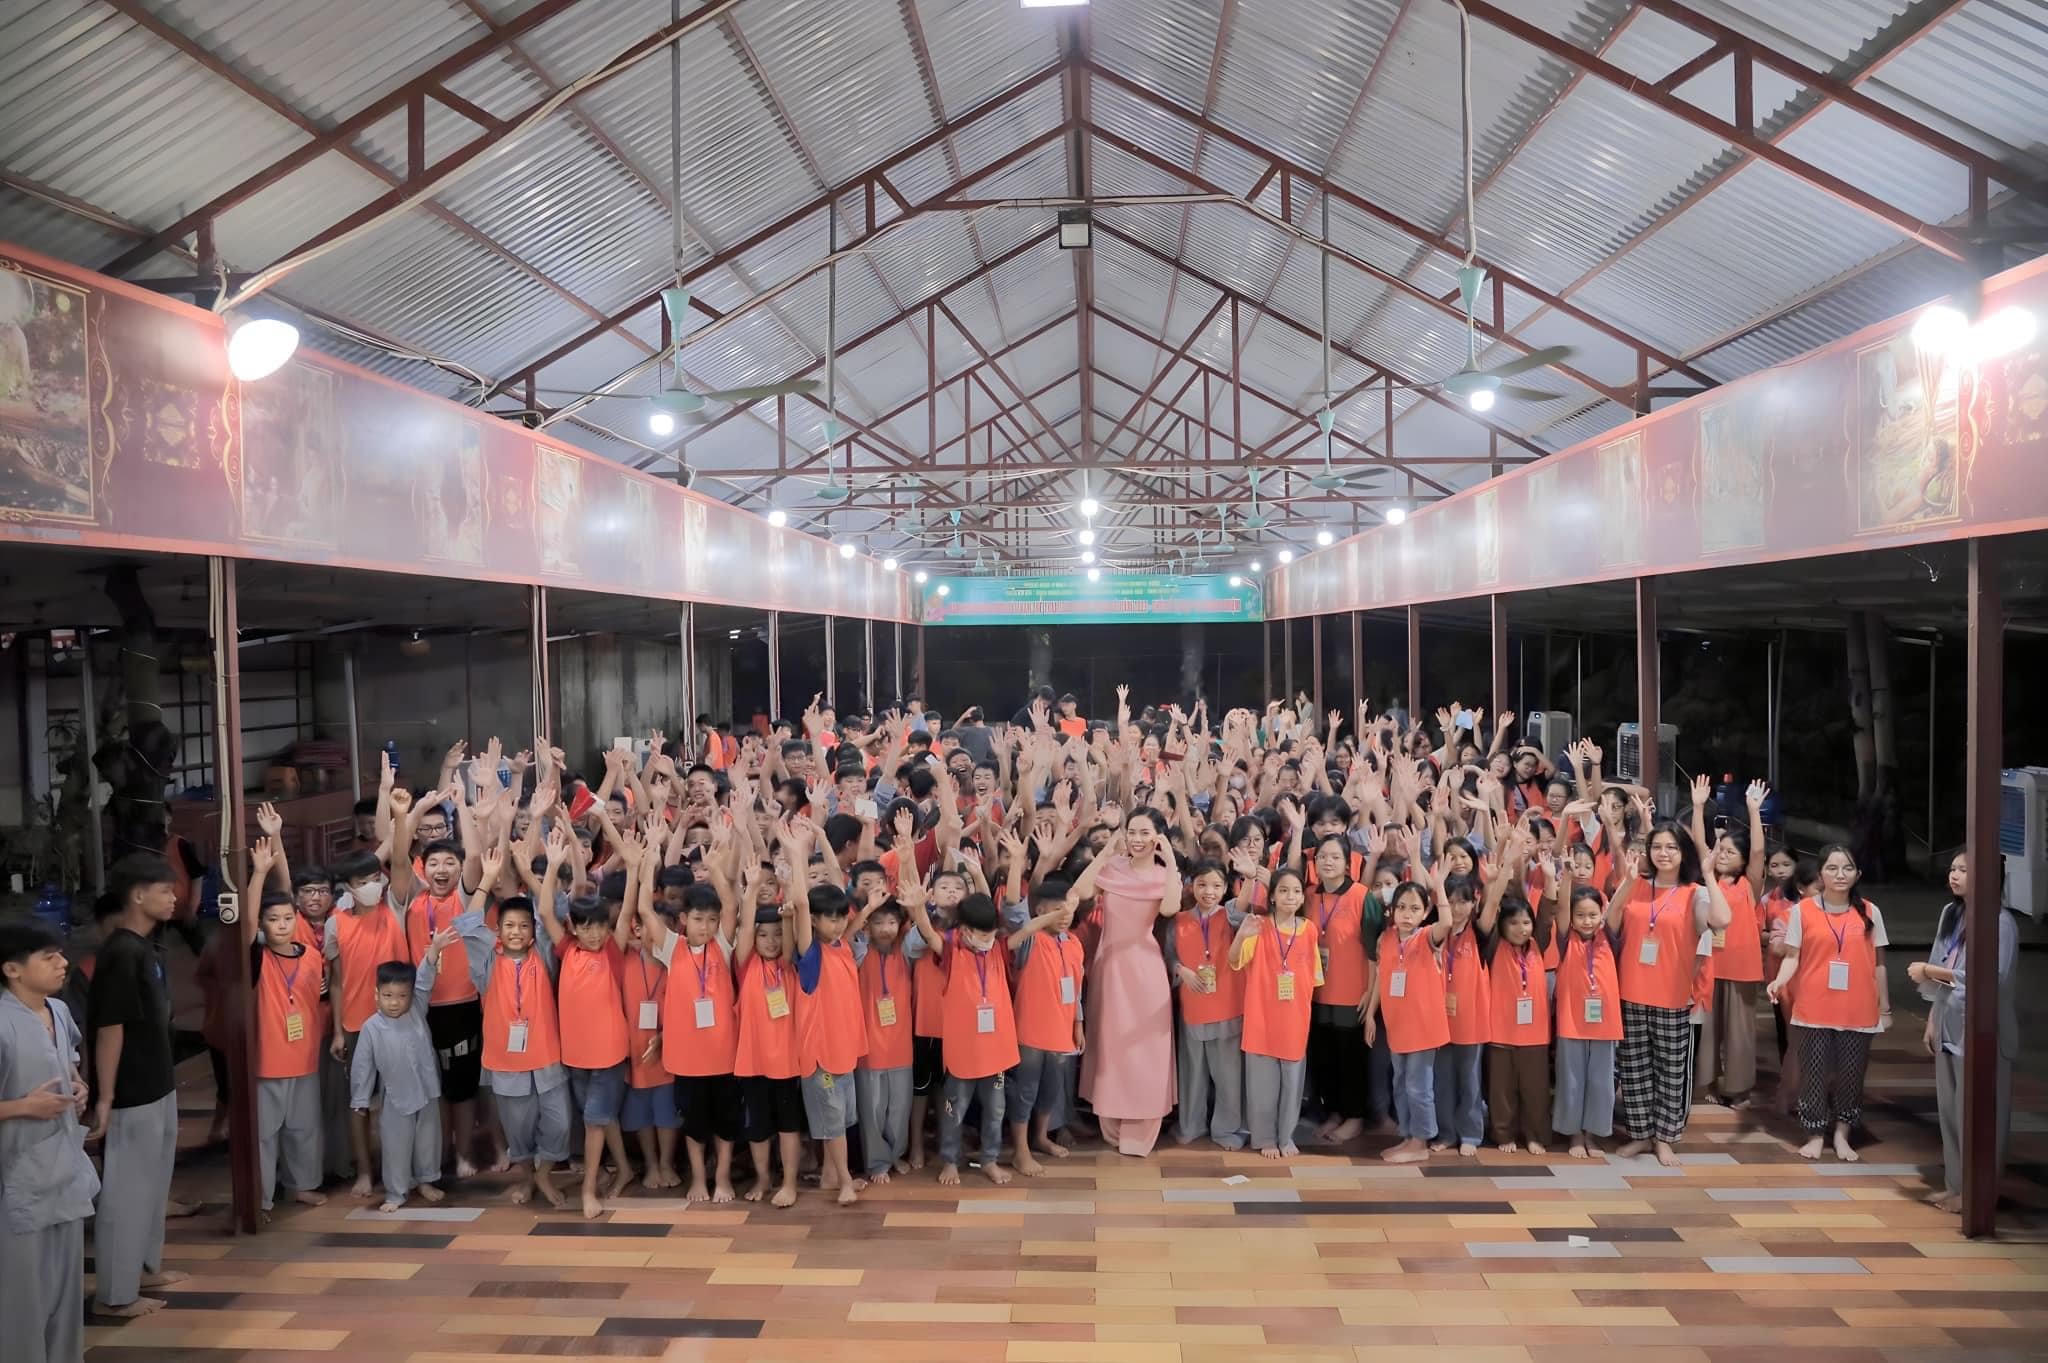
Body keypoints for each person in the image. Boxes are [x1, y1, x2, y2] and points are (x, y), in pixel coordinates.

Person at [86, 853, 189, 1317]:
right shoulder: (121, 952)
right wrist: (106, 1097)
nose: (174, 897)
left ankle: (145, 1267)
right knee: (126, 1191)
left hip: (158, 1082)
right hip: (131, 1091)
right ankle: (114, 1294)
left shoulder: (146, 946)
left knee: (153, 1183)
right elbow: (111, 1028)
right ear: (138, 895)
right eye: (165, 890)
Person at [0, 919, 99, 1363]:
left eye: (60, 954)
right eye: (49, 957)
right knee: (24, 1300)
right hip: (17, 1176)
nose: (63, 964)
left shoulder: (58, 1011)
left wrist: (79, 1087)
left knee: (65, 1293)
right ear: (12, 969)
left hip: (63, 1170)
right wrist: (22, 1106)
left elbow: (68, 1063)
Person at [1607, 819, 1731, 1166]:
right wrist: (1627, 882)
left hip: (1673, 996)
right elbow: (1611, 922)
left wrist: (1709, 875)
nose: (1663, 853)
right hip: (1630, 992)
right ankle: (1640, 1134)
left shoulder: (1694, 893)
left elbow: (1722, 919)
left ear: (1683, 853)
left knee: (1671, 1072)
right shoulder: (1636, 884)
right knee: (1634, 1070)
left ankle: (1664, 1138)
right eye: (1657, 847)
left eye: (1671, 847)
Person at [1766, 844, 1889, 1162]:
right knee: (1814, 1073)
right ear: (1821, 874)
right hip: (1814, 1006)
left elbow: (1878, 964)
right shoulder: (1802, 911)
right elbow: (1792, 957)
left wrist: (1885, 1008)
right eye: (1832, 868)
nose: (1840, 875)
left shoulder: (1870, 912)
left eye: (1847, 868)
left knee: (1851, 1075)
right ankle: (1815, 1133)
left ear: (1858, 874)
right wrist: (1779, 981)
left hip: (1858, 1008)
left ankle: (1842, 1134)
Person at [1071, 808, 1182, 1157]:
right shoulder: (1113, 868)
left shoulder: (1164, 875)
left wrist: (1171, 860)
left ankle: (1142, 1128)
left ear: (1158, 837)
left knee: (1145, 1051)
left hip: (1145, 971)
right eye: (1132, 831)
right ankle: (1112, 1123)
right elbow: (1081, 889)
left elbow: (1170, 908)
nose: (1137, 839)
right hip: (1109, 967)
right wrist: (1106, 851)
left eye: (1145, 833)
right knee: (1111, 1049)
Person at [1911, 851, 2016, 1214]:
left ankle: (1980, 1192)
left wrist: (1930, 972)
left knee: (1981, 1116)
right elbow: (1940, 961)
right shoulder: (1952, 914)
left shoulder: (2001, 922)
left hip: (1984, 1030)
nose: (1954, 875)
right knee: (1951, 1113)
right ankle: (1955, 1186)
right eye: (1953, 869)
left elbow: (1990, 978)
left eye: (1964, 870)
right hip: (1949, 1023)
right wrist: (1932, 1017)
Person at [905, 884, 1017, 1186]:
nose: (988, 940)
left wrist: (1061, 911)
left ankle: (990, 1160)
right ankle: (950, 1160)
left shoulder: (997, 949)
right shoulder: (950, 952)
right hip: (961, 1052)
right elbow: (928, 934)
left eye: (991, 934)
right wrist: (918, 909)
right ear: (965, 931)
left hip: (995, 1052)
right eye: (982, 934)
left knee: (996, 1110)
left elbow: (1029, 928)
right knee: (953, 1108)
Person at [243, 835, 329, 1219]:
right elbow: (244, 928)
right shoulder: (257, 957)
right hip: (268, 1061)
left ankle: (301, 1185)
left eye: (288, 918)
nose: (282, 925)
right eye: (273, 919)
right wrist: (259, 873)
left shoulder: (311, 955)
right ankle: (260, 1199)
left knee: (304, 1128)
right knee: (263, 1135)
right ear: (262, 924)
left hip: (304, 1056)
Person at [349, 931, 460, 1211]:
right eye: (388, 996)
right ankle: (396, 1192)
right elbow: (362, 1067)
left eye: (401, 996)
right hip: (396, 1098)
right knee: (395, 1146)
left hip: (427, 1090)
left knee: (427, 1141)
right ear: (376, 994)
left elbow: (423, 980)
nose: (395, 1002)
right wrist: (360, 1099)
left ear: (411, 996)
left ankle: (426, 1180)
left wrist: (434, 951)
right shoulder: (371, 1027)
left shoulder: (416, 1010)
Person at [790, 837, 872, 1206]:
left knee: (842, 1117)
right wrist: (797, 854)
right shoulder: (811, 955)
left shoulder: (841, 947)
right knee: (834, 1119)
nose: (838, 925)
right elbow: (801, 902)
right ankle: (844, 1181)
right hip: (820, 1055)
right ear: (814, 920)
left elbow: (841, 894)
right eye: (830, 918)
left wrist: (867, 911)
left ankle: (829, 1175)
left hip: (844, 1050)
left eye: (841, 917)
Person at [1690, 777, 1770, 1107]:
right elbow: (1699, 843)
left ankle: (1738, 1089)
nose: (1722, 855)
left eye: (1730, 852)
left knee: (1739, 1032)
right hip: (1709, 964)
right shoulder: (1708, 877)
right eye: (1720, 850)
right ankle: (1708, 1082)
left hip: (1741, 967)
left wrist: (1754, 811)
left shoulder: (1749, 883)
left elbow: (1759, 850)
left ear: (1743, 858)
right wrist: (1698, 807)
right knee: (1709, 1030)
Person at [1232, 866, 1322, 1159]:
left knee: (1292, 1084)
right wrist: (1241, 936)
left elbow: (1315, 977)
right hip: (1261, 1016)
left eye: (1296, 891)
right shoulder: (1258, 926)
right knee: (1263, 1086)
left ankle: (1286, 1136)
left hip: (1295, 1018)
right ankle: (1265, 1138)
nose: (1290, 896)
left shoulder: (1309, 930)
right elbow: (1234, 961)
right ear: (1271, 896)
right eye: (1283, 890)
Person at [1006, 873, 1085, 1177]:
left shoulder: (1075, 943)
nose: (1064, 917)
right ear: (1040, 911)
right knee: (1025, 1090)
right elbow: (1014, 927)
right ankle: (1020, 1150)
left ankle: (1040, 1137)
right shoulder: (1032, 940)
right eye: (1056, 911)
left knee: (1051, 1089)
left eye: (1068, 910)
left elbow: (1076, 989)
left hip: (1062, 1031)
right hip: (1030, 1031)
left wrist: (1078, 1024)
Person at [1368, 879, 1450, 1164]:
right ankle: (1408, 1135)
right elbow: (1381, 976)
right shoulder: (1387, 938)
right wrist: (1371, 1014)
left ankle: (1421, 1141)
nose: (1406, 914)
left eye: (1414, 908)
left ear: (1425, 912)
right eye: (1401, 907)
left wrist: (1439, 889)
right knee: (1400, 1083)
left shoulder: (1427, 936)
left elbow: (1446, 923)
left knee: (1419, 1087)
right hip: (1397, 1024)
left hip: (1423, 1028)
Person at [1169, 860, 1245, 1149]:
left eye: (1216, 885)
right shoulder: (1177, 920)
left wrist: (1250, 877)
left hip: (1227, 1004)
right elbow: (1168, 955)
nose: (1208, 891)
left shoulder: (1232, 917)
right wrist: (1181, 970)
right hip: (1193, 1004)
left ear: (1225, 888)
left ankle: (1227, 1129)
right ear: (1192, 886)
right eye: (1202, 884)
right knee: (1192, 1074)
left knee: (1228, 1075)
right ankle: (1191, 1126)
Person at [1305, 834, 1374, 1144]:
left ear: (1348, 863)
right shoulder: (1309, 895)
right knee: (1325, 1057)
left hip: (1352, 993)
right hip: (1318, 993)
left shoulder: (1362, 896)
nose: (1327, 862)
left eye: (1335, 857)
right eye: (1322, 856)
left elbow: (1375, 953)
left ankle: (1355, 1116)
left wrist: (1370, 993)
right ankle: (1333, 1111)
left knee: (1351, 1059)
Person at [1553, 885, 1621, 1158]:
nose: (1587, 921)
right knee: (1571, 1079)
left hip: (1605, 1022)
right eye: (1580, 915)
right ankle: (1574, 1133)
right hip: (1572, 1020)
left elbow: (1617, 908)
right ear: (1571, 917)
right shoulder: (1564, 939)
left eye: (1593, 915)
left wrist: (1628, 880)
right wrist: (1567, 877)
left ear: (1602, 914)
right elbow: (1560, 907)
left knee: (1601, 1081)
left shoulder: (1610, 937)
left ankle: (1593, 1132)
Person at [855, 890, 914, 1182]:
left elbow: (922, 931)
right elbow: (845, 938)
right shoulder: (859, 951)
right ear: (867, 925)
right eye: (878, 922)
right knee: (873, 1110)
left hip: (901, 1046)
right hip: (869, 1048)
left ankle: (895, 1154)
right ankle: (877, 1162)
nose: (885, 929)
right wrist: (867, 910)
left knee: (900, 1108)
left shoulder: (906, 949)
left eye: (891, 922)